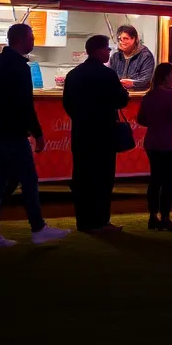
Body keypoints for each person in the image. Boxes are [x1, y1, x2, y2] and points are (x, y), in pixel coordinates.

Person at [0, 23, 69, 247]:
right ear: (21, 39)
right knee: (28, 180)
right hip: (12, 133)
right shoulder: (19, 67)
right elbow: (25, 104)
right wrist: (37, 133)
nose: (33, 40)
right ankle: (37, 228)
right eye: (31, 36)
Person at [63, 34, 130, 233]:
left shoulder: (74, 74)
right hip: (103, 134)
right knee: (102, 179)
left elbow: (67, 103)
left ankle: (83, 222)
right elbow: (121, 101)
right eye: (107, 49)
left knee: (82, 178)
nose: (109, 52)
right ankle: (101, 221)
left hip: (82, 133)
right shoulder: (107, 75)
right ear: (99, 50)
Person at [138, 63, 172, 230]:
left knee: (155, 180)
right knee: (168, 181)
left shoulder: (149, 95)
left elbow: (141, 119)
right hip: (169, 142)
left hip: (152, 142)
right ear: (166, 77)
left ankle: (152, 216)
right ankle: (165, 217)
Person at [110, 24, 156, 91]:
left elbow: (146, 80)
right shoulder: (115, 56)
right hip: (117, 96)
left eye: (125, 39)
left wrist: (132, 83)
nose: (122, 42)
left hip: (137, 96)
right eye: (120, 39)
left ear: (134, 39)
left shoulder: (145, 56)